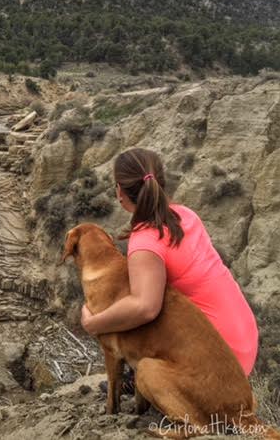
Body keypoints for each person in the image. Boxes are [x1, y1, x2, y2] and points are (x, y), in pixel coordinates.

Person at [80, 147, 259, 378]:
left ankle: (142, 381)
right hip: (243, 339)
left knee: (136, 315)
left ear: (120, 193)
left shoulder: (145, 243)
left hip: (221, 360)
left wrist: (94, 324)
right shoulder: (184, 214)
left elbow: (144, 308)